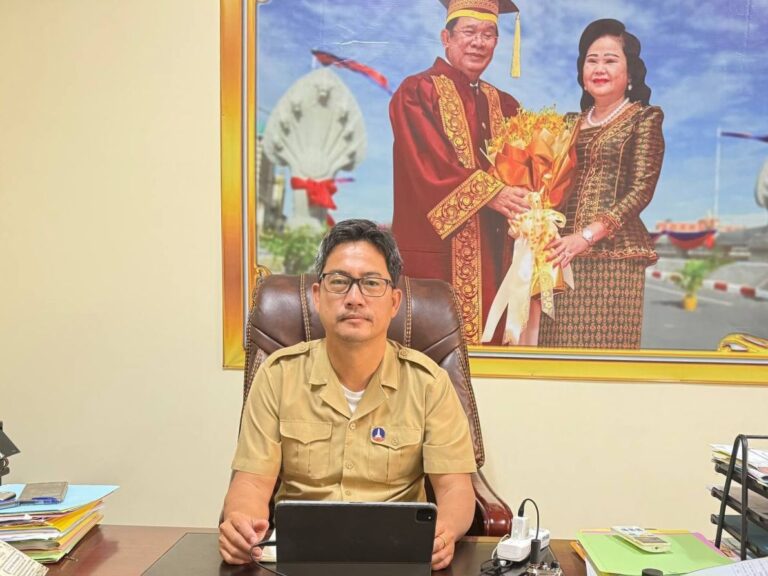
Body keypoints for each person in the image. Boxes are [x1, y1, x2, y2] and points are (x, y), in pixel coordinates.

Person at [218, 219, 477, 570]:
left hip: (395, 559)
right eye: (339, 282)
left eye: (371, 283)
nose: (354, 298)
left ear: (394, 302)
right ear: (317, 296)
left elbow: (455, 489)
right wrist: (242, 525)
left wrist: (443, 534)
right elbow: (251, 482)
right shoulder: (278, 375)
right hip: (300, 559)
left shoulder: (429, 383)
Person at [390, 0, 529, 345]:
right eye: (469, 32)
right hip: (437, 258)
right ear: (446, 38)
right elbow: (425, 162)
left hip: (495, 257)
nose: (478, 42)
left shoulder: (507, 105)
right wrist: (492, 194)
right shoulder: (417, 92)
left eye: (488, 34)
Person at [539, 19, 664, 349]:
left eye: (610, 60)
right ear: (582, 72)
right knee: (555, 355)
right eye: (591, 60)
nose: (599, 68)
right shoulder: (567, 123)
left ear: (630, 72)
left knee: (602, 361)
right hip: (561, 256)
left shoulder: (644, 118)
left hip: (614, 260)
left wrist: (586, 236)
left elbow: (641, 189)